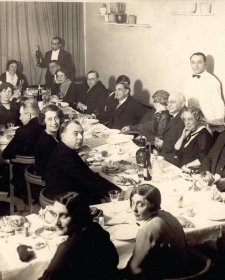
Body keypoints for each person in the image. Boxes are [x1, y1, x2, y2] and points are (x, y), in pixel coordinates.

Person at [38, 192, 119, 280]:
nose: (55, 222)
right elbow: (114, 260)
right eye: (54, 214)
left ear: (78, 216)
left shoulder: (66, 248)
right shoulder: (96, 228)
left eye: (63, 216)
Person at [45, 120, 120, 203]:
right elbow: (89, 182)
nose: (80, 137)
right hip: (64, 202)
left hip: (63, 193)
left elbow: (85, 175)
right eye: (75, 134)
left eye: (82, 133)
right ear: (63, 136)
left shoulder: (63, 148)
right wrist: (117, 191)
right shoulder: (65, 156)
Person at [124, 184, 188, 280]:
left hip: (167, 276)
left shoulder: (147, 229)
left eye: (141, 205)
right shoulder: (168, 215)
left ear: (153, 205)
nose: (134, 209)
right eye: (133, 203)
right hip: (183, 269)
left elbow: (134, 269)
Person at [2, 99, 43, 197]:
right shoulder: (45, 127)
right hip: (40, 173)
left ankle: (12, 198)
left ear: (28, 115)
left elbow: (6, 154)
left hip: (23, 177)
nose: (20, 118)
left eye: (21, 114)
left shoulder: (22, 131)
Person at [184, 52, 225, 137]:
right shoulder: (188, 80)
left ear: (205, 64)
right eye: (193, 62)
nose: (196, 65)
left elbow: (219, 104)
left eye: (199, 62)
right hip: (191, 122)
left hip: (207, 124)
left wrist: (216, 125)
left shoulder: (213, 81)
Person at [154, 92, 185, 165]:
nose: (169, 105)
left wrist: (163, 144)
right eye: (168, 102)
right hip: (164, 154)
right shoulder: (172, 116)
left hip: (173, 160)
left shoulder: (183, 119)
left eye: (173, 102)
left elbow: (180, 148)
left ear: (182, 104)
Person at [35, 104, 64, 180]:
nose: (54, 122)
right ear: (43, 121)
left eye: (56, 118)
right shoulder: (46, 142)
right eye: (49, 119)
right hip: (51, 182)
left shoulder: (53, 136)